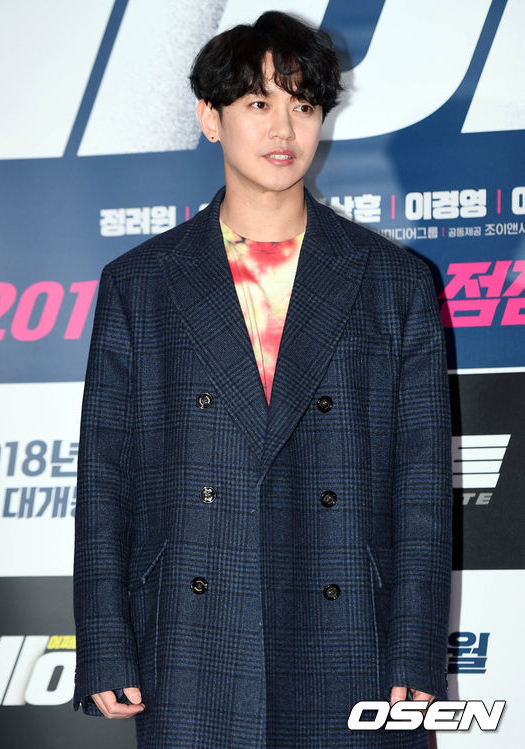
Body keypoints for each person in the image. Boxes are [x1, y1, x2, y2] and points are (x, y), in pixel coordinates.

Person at [72, 10, 452, 749]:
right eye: (257, 102)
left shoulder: (395, 282)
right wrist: (106, 642)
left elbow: (422, 487)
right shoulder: (140, 283)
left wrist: (415, 650)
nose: (284, 128)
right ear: (209, 118)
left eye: (303, 105)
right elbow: (106, 476)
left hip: (352, 634)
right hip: (192, 635)